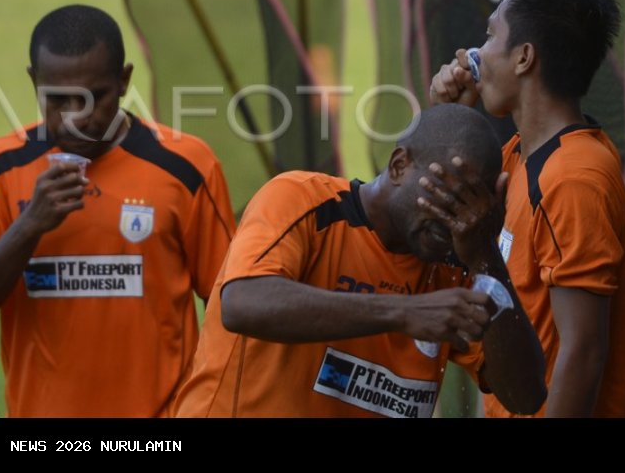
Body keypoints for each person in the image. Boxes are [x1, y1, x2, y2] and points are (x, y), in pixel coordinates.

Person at [174, 104, 547, 417]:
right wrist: (404, 312)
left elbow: (525, 396)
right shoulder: (304, 201)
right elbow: (242, 304)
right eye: (446, 196)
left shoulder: (458, 261)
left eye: (472, 207)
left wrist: (486, 256)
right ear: (400, 166)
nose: (455, 220)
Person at [0, 4, 236, 417]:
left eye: (93, 98)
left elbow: (231, 306)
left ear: (123, 81)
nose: (75, 118)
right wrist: (29, 226)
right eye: (57, 99)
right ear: (34, 81)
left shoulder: (186, 167)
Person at [429, 0, 625, 417]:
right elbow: (440, 225)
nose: (473, 55)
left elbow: (583, 352)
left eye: (489, 37)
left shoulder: (574, 178)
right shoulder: (517, 156)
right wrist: (454, 118)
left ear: (524, 58)